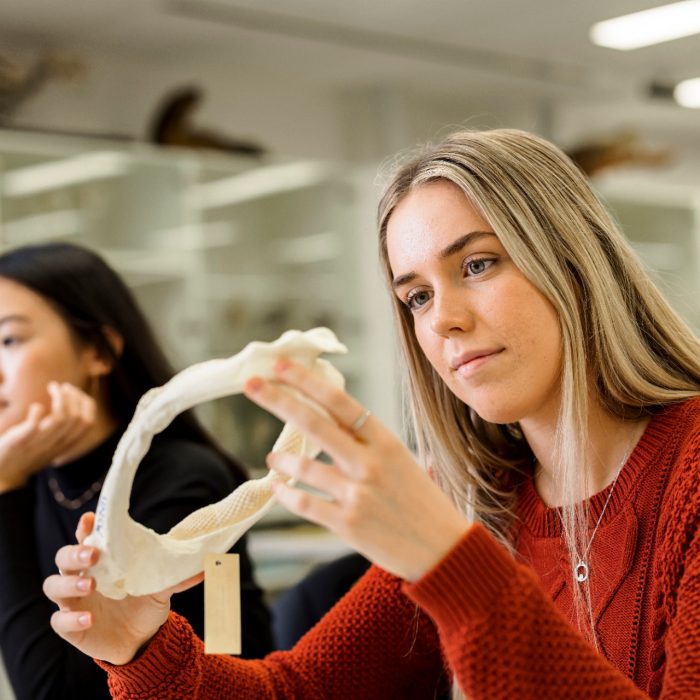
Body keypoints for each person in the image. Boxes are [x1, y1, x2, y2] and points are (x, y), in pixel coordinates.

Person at [45, 129, 700, 699]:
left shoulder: (687, 473)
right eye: (416, 296)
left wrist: (451, 564)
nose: (444, 318)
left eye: (477, 264)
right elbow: (302, 693)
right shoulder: (475, 501)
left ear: (575, 261)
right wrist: (144, 649)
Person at [0, 243, 273, 700]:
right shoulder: (33, 478)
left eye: (9, 340)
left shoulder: (184, 479)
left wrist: (3, 490)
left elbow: (55, 691)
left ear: (99, 352)